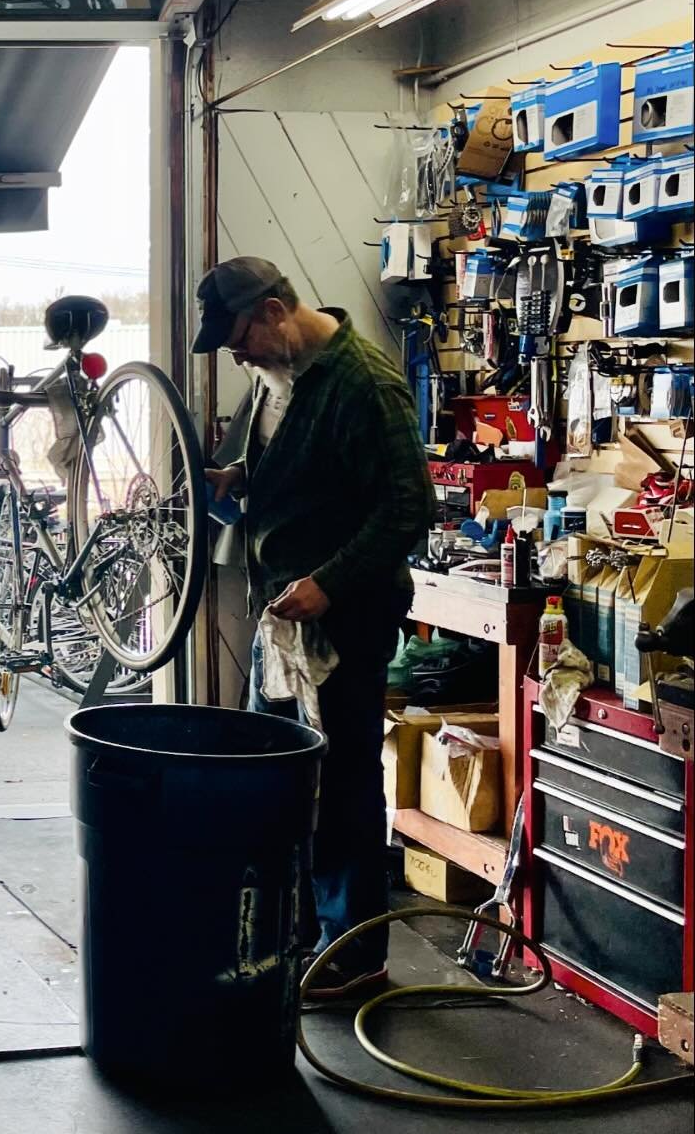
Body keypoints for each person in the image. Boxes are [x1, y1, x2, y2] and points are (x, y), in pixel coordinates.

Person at [192, 256, 435, 998]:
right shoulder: (278, 378)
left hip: (345, 617)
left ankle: (357, 954)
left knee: (343, 781)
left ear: (272, 312)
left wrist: (328, 585)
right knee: (278, 773)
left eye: (239, 338)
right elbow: (306, 472)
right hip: (285, 616)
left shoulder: (365, 386)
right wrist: (242, 480)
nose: (236, 355)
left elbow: (408, 510)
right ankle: (294, 930)